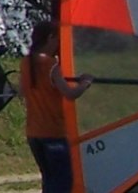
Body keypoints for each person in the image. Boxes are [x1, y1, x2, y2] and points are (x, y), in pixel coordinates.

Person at [23, 21, 92, 193]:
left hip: (33, 134)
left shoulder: (25, 62)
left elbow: (21, 91)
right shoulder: (50, 64)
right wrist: (84, 84)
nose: (58, 44)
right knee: (62, 182)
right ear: (50, 38)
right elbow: (70, 94)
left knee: (49, 179)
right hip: (53, 134)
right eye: (57, 39)